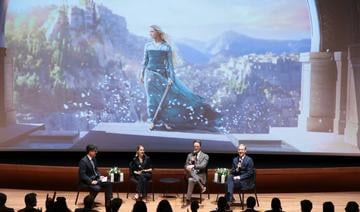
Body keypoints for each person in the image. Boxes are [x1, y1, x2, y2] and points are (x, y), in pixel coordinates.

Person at [140, 25, 221, 131]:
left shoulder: (166, 47)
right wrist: (142, 74)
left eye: (152, 31)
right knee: (151, 98)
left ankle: (164, 119)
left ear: (158, 32)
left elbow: (169, 65)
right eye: (149, 32)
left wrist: (171, 78)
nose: (150, 34)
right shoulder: (148, 45)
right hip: (149, 75)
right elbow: (145, 61)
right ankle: (152, 120)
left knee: (167, 98)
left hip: (162, 76)